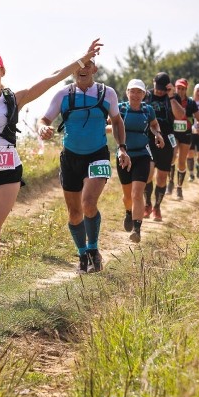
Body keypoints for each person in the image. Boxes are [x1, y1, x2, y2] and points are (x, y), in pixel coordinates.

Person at [0, 5, 102, 309]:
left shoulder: (17, 97)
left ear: (2, 72)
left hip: (7, 172)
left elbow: (54, 77)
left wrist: (81, 59)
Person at [38, 60, 129, 274]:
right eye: (78, 65)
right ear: (72, 69)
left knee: (88, 204)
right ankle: (81, 253)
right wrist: (43, 129)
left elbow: (116, 122)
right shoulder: (62, 95)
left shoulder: (108, 94)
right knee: (74, 213)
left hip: (97, 154)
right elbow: (44, 119)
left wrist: (122, 148)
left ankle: (93, 250)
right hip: (70, 157)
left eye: (88, 64)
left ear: (95, 69)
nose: (83, 68)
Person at [116, 79, 162, 242]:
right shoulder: (120, 108)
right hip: (124, 156)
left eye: (139, 92)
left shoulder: (148, 110)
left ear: (144, 94)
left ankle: (137, 229)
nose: (135, 95)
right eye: (132, 91)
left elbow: (155, 125)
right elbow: (111, 125)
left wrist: (158, 134)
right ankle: (128, 212)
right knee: (127, 196)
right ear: (127, 92)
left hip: (142, 155)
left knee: (137, 193)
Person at [143, 72, 186, 221]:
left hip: (167, 140)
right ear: (153, 83)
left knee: (161, 178)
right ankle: (147, 203)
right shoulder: (146, 96)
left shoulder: (173, 97)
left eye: (163, 88)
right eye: (157, 87)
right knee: (148, 173)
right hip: (148, 139)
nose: (159, 91)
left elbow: (180, 115)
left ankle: (157, 207)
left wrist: (172, 96)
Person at [167, 78, 199, 200]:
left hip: (186, 134)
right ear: (175, 88)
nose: (180, 91)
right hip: (173, 133)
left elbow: (198, 118)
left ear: (186, 89)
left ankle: (179, 187)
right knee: (172, 155)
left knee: (182, 161)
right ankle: (170, 181)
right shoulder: (171, 99)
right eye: (178, 88)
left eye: (183, 88)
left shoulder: (191, 103)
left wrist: (197, 125)